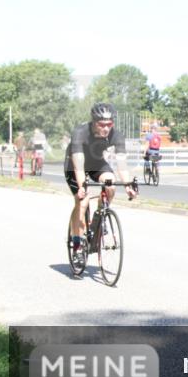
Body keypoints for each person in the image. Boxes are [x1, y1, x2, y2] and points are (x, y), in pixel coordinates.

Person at [66, 103, 137, 262]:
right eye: (102, 125)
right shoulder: (80, 132)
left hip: (96, 163)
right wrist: (82, 187)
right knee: (82, 201)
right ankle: (77, 245)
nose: (106, 128)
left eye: (109, 124)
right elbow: (78, 166)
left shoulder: (116, 135)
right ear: (94, 122)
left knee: (111, 185)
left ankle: (99, 217)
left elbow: (122, 165)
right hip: (74, 165)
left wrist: (128, 185)